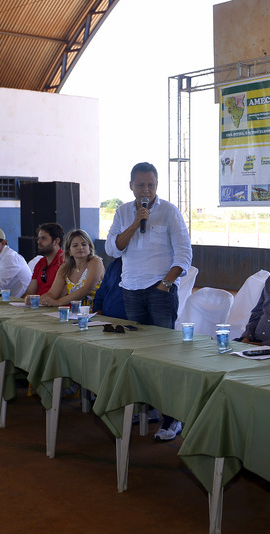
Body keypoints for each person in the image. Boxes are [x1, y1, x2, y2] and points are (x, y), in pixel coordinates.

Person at [105, 161, 192, 442]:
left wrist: (165, 284)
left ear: (157, 185)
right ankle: (147, 408)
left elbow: (184, 254)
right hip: (131, 290)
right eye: (141, 185)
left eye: (151, 185)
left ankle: (172, 417)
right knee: (139, 355)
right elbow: (112, 249)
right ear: (131, 186)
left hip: (160, 291)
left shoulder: (169, 211)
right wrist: (134, 223)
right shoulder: (122, 212)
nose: (146, 190)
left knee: (164, 356)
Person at [29, 229, 104, 307]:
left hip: (95, 312)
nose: (80, 247)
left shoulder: (95, 262)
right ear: (69, 251)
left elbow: (87, 289)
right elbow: (52, 293)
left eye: (84, 244)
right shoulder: (65, 268)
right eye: (75, 245)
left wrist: (58, 302)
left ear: (90, 248)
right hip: (74, 312)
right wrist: (35, 300)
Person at [22, 223, 65, 298]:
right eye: (38, 238)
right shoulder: (40, 263)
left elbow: (58, 296)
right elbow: (30, 292)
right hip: (38, 303)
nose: (38, 241)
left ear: (56, 241)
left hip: (53, 304)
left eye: (43, 238)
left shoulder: (65, 262)